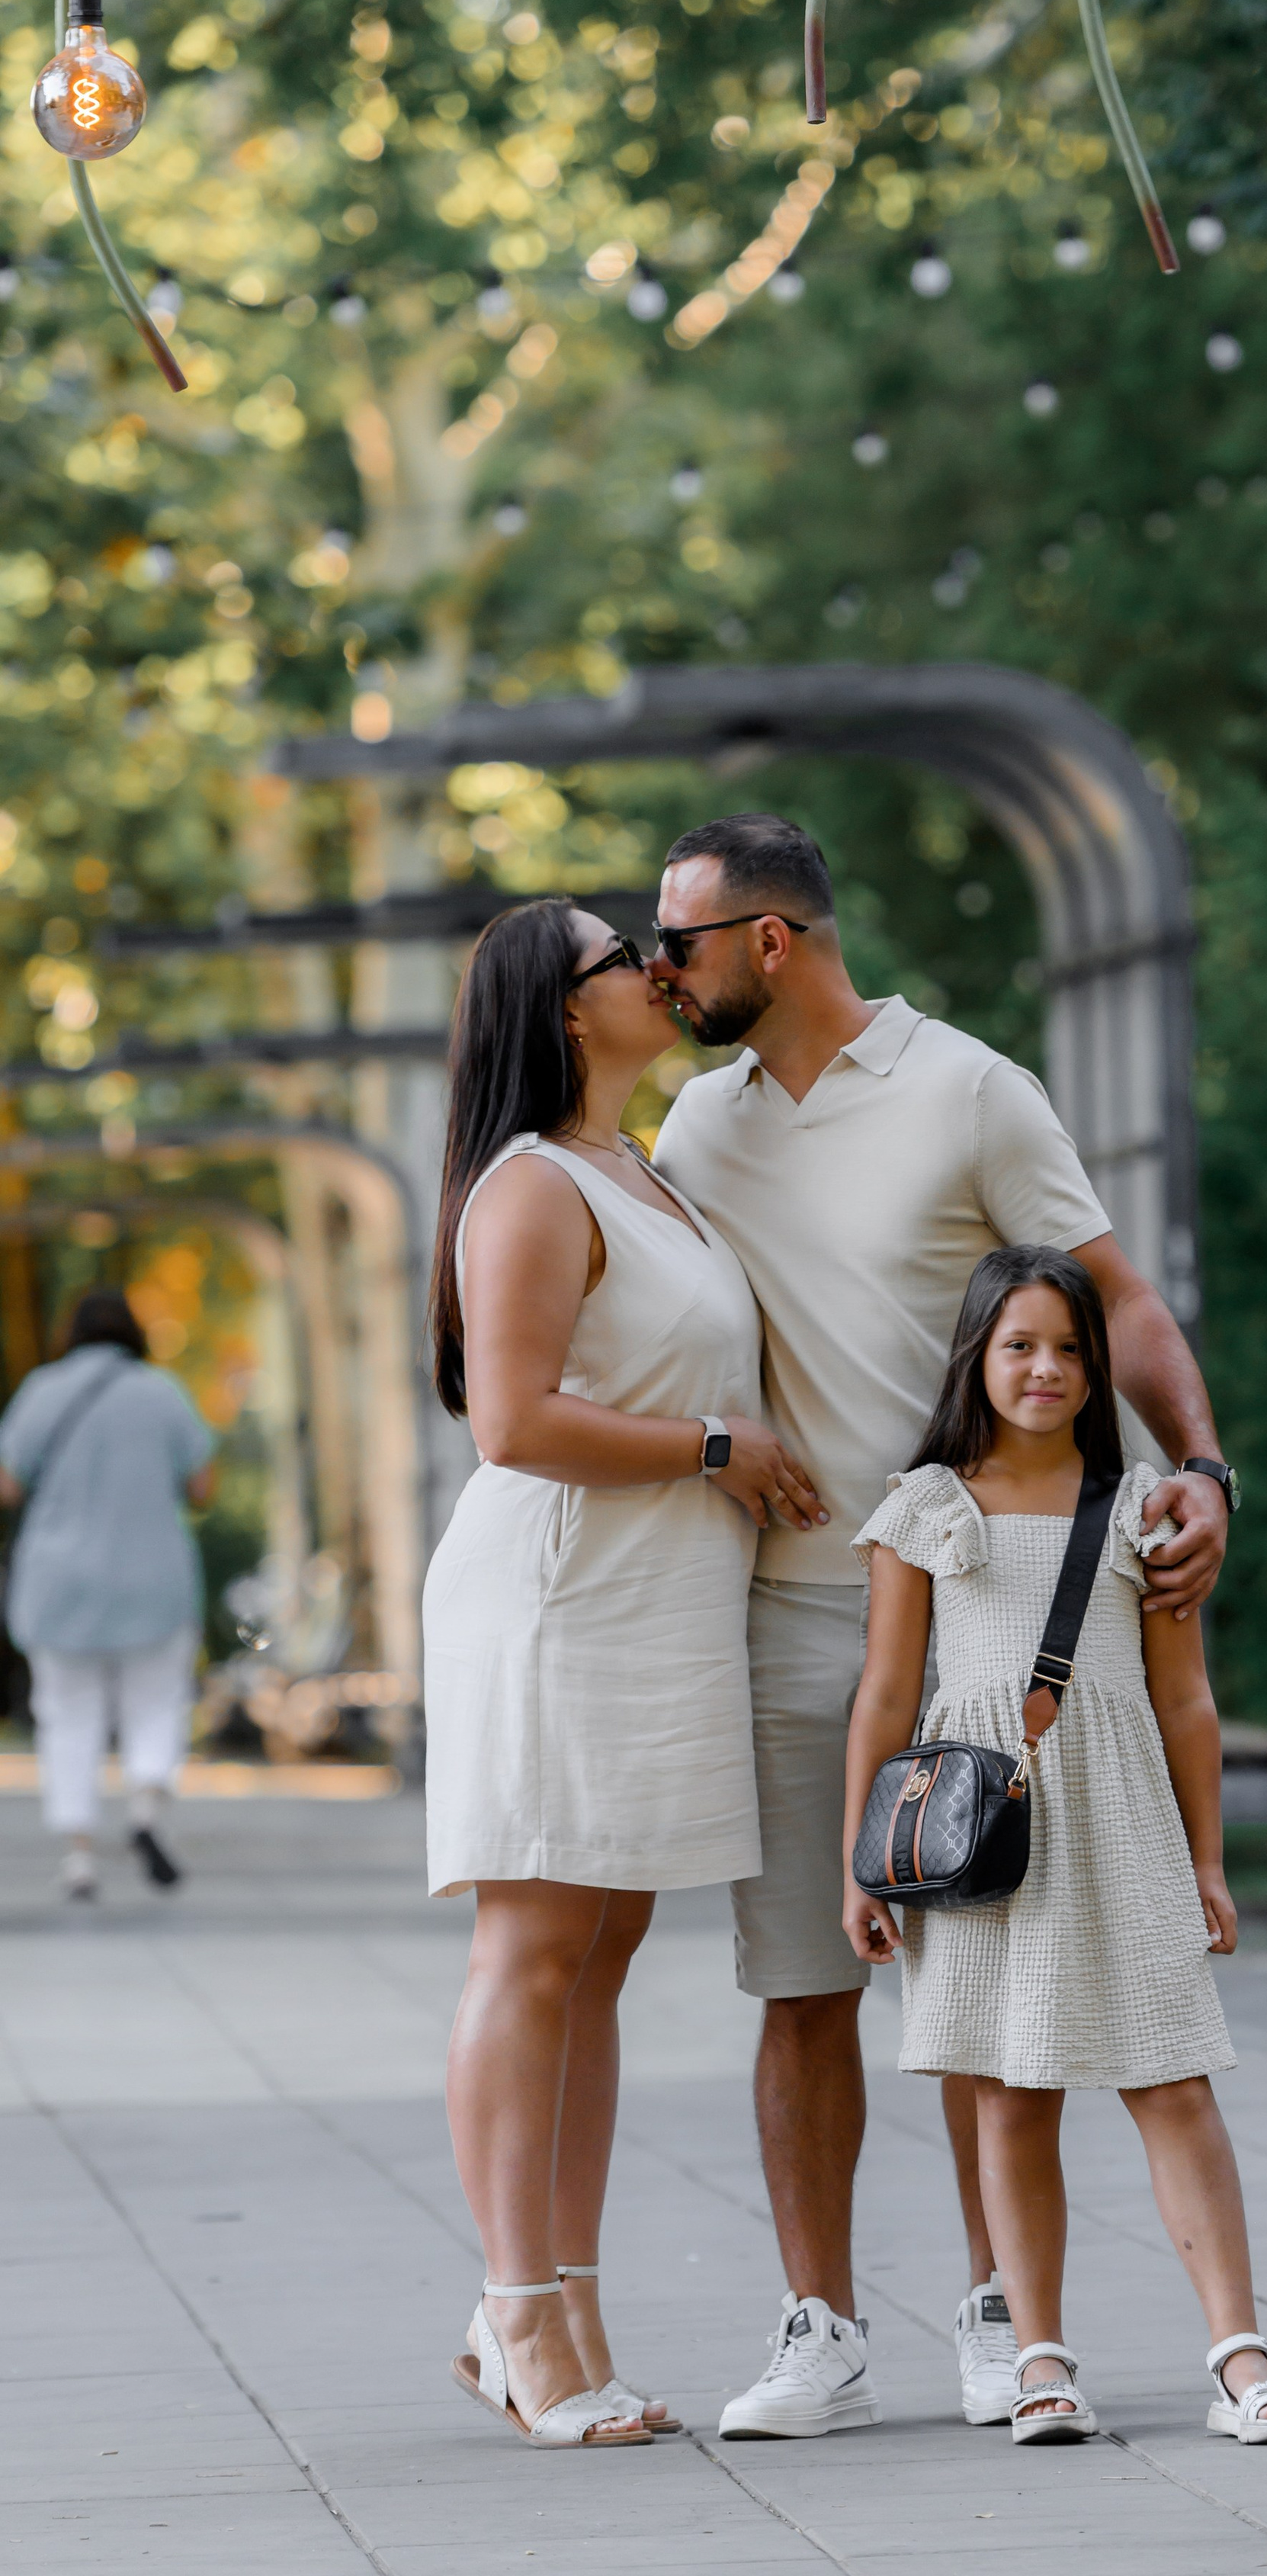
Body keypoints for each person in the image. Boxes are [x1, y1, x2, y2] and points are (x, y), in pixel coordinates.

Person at [650, 812, 1240, 2438]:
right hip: (794, 1603)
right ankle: (821, 2326)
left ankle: (1002, 2317)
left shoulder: (970, 1087)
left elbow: (1116, 1297)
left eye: (678, 943)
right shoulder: (694, 1124)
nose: (660, 970)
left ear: (771, 939)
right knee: (800, 1984)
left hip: (990, 1603)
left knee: (993, 1990)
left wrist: (1200, 1468)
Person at [422, 897, 826, 2451]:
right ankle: (519, 2308)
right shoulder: (531, 1183)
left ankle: (559, 2304)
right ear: (566, 1007)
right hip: (559, 1594)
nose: (658, 968)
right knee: (532, 1948)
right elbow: (512, 1420)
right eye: (622, 956)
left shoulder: (638, 1168)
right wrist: (716, 1446)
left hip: (654, 1600)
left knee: (601, 1952)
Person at [843, 1248, 1267, 2447]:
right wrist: (863, 1862)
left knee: (1174, 2081)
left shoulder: (1142, 1507)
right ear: (977, 1360)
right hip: (982, 1837)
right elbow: (885, 1695)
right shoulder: (927, 1507)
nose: (1045, 1368)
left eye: (1068, 1348)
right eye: (1019, 1346)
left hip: (1124, 1822)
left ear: (1097, 1370)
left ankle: (1242, 2359)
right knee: (1011, 2093)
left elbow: (1186, 1702)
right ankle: (1039, 2361)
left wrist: (1207, 1862)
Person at [0, 1286, 216, 1903]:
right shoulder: (163, 1392)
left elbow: (8, 1485)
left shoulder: (43, 1390)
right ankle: (145, 1808)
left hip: (59, 1583)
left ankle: (79, 1858)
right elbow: (202, 1485)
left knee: (67, 1716)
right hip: (154, 1577)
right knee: (156, 1703)